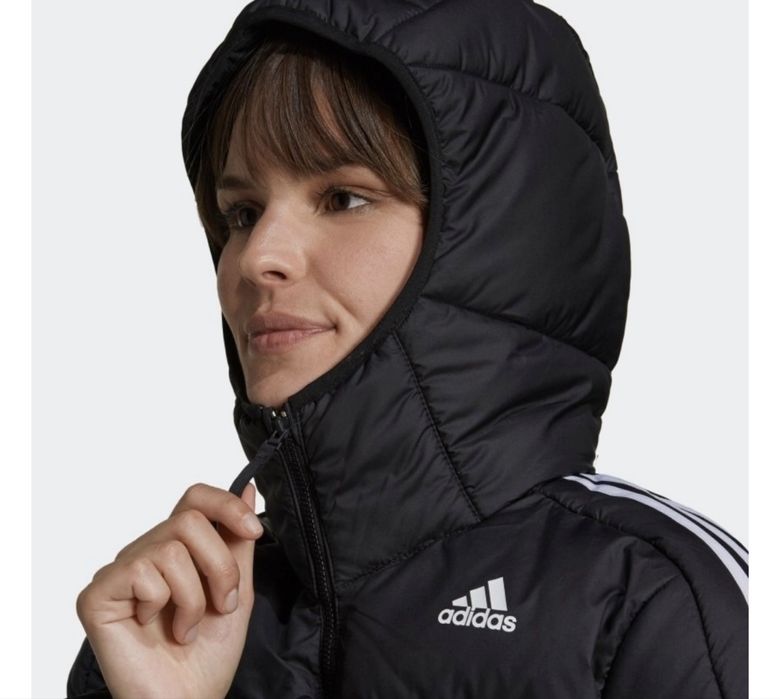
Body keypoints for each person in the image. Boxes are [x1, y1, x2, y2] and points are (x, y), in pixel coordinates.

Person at [67, 1, 748, 698]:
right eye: (241, 213)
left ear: (498, 240)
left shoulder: (659, 609)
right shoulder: (169, 625)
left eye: (343, 198)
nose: (256, 257)